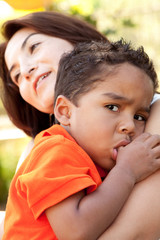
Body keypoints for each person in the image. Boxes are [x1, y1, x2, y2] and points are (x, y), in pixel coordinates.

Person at [1, 11, 160, 240]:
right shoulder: (52, 150)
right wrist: (127, 172)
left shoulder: (109, 139)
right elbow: (76, 232)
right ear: (64, 111)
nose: (26, 71)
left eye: (34, 47)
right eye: (16, 75)